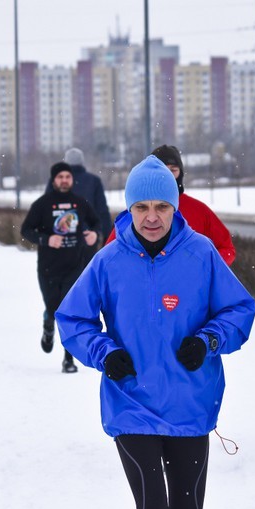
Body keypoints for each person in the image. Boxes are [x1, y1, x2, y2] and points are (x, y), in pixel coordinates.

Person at [55, 155, 255, 509]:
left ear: (174, 206)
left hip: (190, 403)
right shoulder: (109, 259)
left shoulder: (201, 253)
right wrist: (105, 352)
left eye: (162, 207)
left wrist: (208, 340)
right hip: (130, 401)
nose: (152, 217)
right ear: (129, 208)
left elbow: (240, 309)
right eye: (142, 207)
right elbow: (72, 318)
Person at [21, 162, 101, 373]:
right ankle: (48, 325)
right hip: (48, 267)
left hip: (75, 265)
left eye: (67, 176)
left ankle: (68, 359)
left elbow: (96, 223)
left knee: (68, 313)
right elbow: (26, 230)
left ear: (72, 179)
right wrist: (46, 239)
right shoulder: (42, 204)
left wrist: (95, 235)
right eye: (60, 177)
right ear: (53, 180)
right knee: (53, 308)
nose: (64, 180)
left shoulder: (80, 203)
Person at [105, 144, 236, 265]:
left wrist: (205, 267)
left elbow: (227, 249)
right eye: (163, 169)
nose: (168, 176)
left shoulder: (199, 210)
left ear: (181, 172)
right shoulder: (134, 216)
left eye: (173, 170)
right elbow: (108, 259)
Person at [46, 147, 111, 255]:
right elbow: (102, 210)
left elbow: (47, 209)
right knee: (86, 270)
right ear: (82, 162)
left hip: (62, 238)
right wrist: (106, 236)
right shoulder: (94, 181)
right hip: (87, 238)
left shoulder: (56, 181)